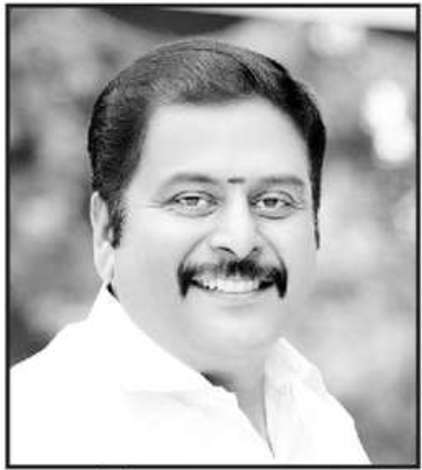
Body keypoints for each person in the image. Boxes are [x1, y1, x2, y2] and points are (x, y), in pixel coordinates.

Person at [11, 39, 370, 465]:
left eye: (273, 201)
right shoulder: (34, 430)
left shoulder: (318, 414)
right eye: (192, 200)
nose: (240, 240)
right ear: (106, 230)